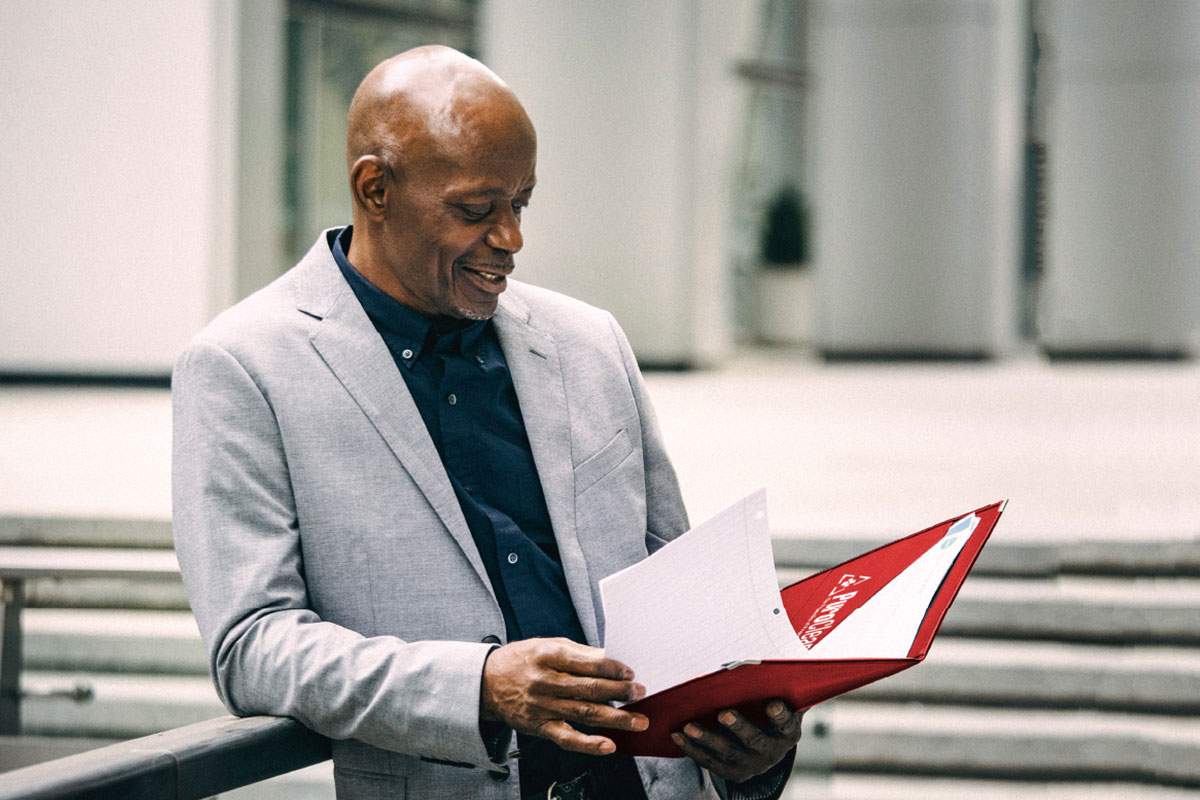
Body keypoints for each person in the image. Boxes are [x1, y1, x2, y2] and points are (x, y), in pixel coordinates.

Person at [172, 45, 801, 800]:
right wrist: (478, 685)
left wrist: (751, 747)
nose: (511, 239)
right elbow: (253, 646)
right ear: (375, 189)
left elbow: (682, 593)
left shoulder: (591, 342)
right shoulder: (243, 367)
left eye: (521, 203)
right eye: (476, 210)